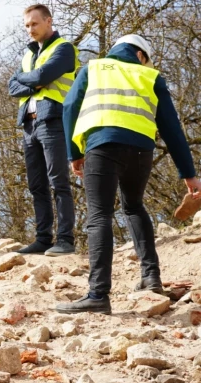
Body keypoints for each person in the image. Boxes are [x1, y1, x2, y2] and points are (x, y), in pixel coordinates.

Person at [57, 35, 201, 314]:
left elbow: (69, 107)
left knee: (99, 214)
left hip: (102, 146)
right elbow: (171, 127)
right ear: (140, 55)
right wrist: (189, 174)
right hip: (140, 151)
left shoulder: (93, 68)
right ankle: (151, 277)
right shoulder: (151, 76)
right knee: (134, 207)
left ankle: (98, 294)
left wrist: (74, 152)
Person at [7, 4, 79, 256]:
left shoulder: (65, 49)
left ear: (49, 21)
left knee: (58, 181)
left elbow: (41, 76)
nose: (30, 29)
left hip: (53, 121)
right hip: (28, 124)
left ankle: (66, 240)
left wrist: (34, 79)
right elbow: (11, 86)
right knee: (36, 185)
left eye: (34, 24)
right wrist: (35, 81)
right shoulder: (28, 55)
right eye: (27, 26)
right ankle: (42, 239)